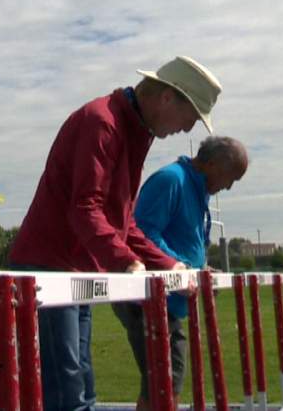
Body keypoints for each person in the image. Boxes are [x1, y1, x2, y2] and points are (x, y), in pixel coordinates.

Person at [7, 55, 223, 411]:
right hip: (48, 268)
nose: (187, 130)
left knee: (82, 388)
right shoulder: (103, 122)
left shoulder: (133, 129)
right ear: (168, 98)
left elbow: (124, 223)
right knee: (67, 392)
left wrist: (170, 265)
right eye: (191, 118)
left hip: (77, 268)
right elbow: (85, 208)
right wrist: (126, 262)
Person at [112, 135, 249, 411]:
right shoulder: (172, 180)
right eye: (230, 177)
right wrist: (180, 266)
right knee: (165, 379)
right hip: (146, 298)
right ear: (211, 164)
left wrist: (196, 269)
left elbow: (178, 238)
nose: (229, 186)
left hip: (165, 298)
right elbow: (141, 233)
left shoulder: (195, 188)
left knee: (163, 380)